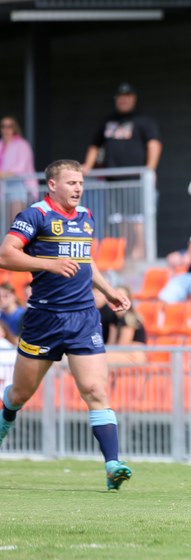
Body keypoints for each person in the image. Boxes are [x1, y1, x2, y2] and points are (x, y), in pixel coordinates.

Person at [0, 159, 133, 490]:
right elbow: (5, 255)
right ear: (53, 185)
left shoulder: (86, 217)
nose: (78, 188)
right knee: (19, 394)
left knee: (96, 390)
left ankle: (112, 465)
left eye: (81, 183)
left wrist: (109, 291)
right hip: (45, 319)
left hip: (83, 317)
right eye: (71, 183)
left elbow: (87, 261)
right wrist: (49, 264)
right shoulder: (36, 215)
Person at [82, 83, 162, 261]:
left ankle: (139, 258)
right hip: (114, 183)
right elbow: (95, 145)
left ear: (133, 98)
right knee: (121, 223)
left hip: (137, 182)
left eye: (127, 96)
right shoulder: (107, 121)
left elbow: (154, 144)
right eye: (120, 96)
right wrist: (87, 165)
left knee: (138, 223)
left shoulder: (143, 121)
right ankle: (126, 258)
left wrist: (150, 169)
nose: (124, 99)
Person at [0, 115, 37, 224]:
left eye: (9, 126)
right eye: (3, 126)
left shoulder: (22, 145)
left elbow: (21, 168)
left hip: (19, 187)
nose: (6, 129)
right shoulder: (1, 144)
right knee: (5, 224)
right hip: (3, 188)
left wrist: (4, 174)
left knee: (17, 223)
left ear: (14, 128)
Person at [103, 286, 147, 365]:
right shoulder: (113, 319)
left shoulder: (130, 319)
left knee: (102, 358)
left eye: (122, 296)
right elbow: (111, 344)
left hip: (133, 356)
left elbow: (122, 346)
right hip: (120, 354)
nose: (118, 299)